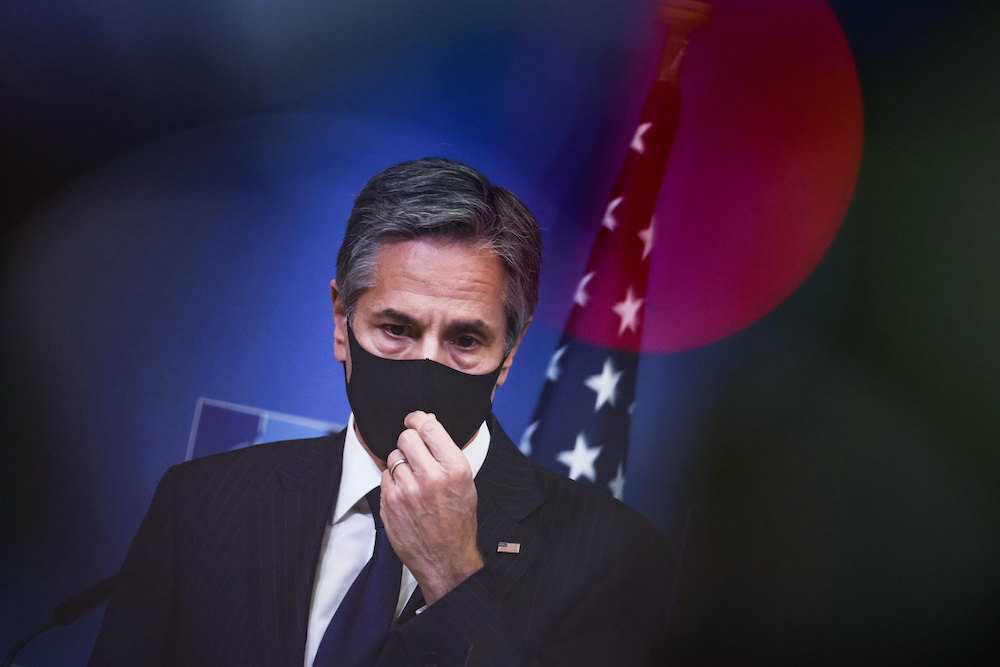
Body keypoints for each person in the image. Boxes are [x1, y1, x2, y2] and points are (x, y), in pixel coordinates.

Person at [89, 157, 674, 666]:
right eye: (396, 328)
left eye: (466, 341)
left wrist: (454, 576)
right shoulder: (200, 506)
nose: (425, 364)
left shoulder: (610, 554)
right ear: (342, 322)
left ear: (508, 356)